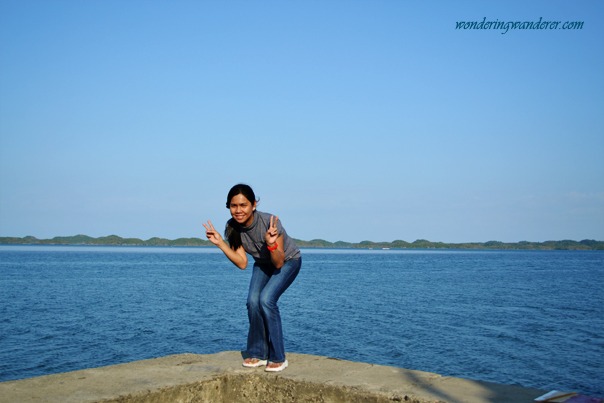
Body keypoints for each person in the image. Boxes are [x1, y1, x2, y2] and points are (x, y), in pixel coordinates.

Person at [203, 184, 301, 372]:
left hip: (288, 260)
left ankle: (278, 357)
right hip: (263, 263)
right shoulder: (232, 227)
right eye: (233, 206)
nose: (238, 210)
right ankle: (258, 353)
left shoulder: (269, 222)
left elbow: (279, 262)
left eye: (243, 205)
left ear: (253, 204)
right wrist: (221, 244)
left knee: (266, 300)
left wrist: (271, 244)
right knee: (252, 302)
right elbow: (242, 262)